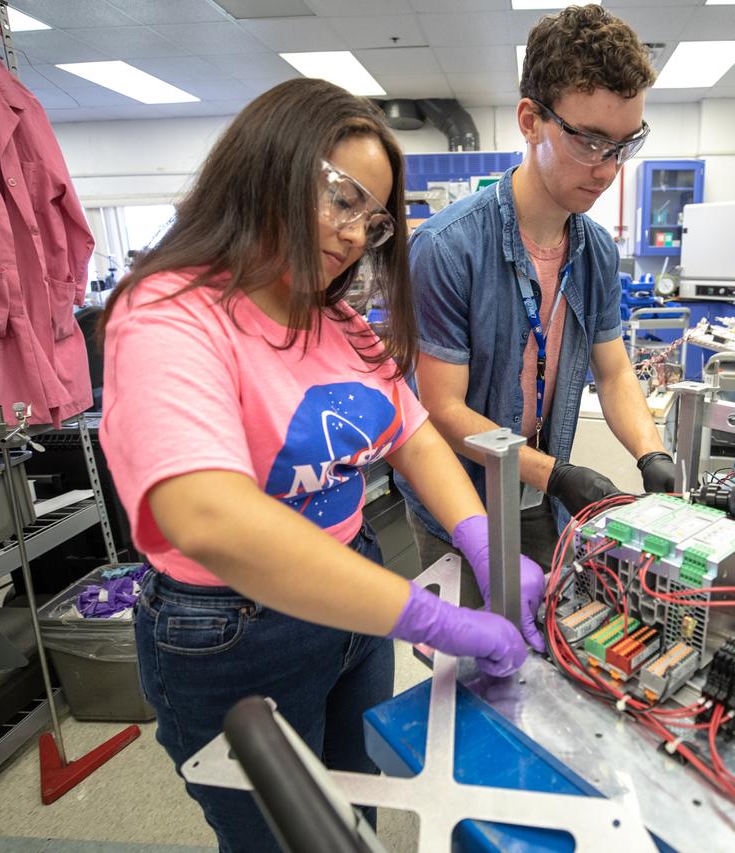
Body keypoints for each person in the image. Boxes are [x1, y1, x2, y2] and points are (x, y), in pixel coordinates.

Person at [98, 79, 544, 853]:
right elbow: (210, 517)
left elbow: (413, 433)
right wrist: (426, 615)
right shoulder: (168, 312)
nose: (352, 234)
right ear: (268, 166)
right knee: (283, 840)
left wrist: (478, 535)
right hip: (234, 632)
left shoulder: (335, 319)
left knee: (354, 819)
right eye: (341, 198)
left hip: (349, 604)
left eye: (371, 220)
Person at [395, 4, 677, 607]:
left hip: (540, 499)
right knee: (472, 673)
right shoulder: (446, 248)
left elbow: (615, 369)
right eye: (590, 142)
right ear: (531, 119)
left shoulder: (596, 250)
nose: (609, 171)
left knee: (546, 658)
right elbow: (441, 407)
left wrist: (652, 452)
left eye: (625, 146)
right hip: (459, 505)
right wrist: (558, 472)